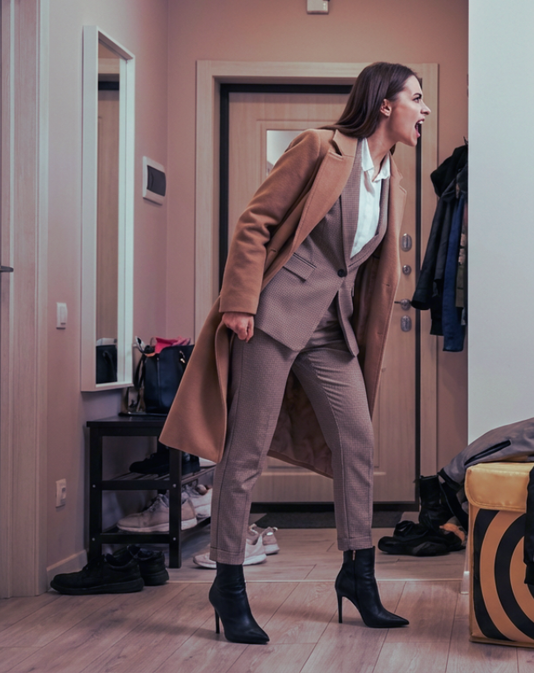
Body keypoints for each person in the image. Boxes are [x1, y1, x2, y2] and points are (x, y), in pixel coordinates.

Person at [161, 62, 430, 643]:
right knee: (246, 451)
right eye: (416, 97)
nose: (424, 109)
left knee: (357, 442)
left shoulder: (394, 181)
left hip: (333, 327)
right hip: (274, 317)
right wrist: (240, 302)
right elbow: (256, 222)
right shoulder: (319, 148)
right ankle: (228, 581)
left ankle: (357, 573)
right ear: (385, 104)